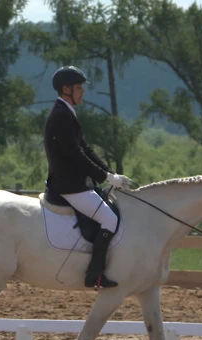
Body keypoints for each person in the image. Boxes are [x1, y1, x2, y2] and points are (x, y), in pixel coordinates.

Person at [43, 65, 133, 289]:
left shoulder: (66, 114)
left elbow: (86, 150)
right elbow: (77, 155)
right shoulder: (61, 116)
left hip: (77, 183)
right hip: (69, 186)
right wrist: (105, 177)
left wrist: (109, 174)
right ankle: (95, 274)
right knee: (109, 219)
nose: (82, 92)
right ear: (66, 89)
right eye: (79, 87)